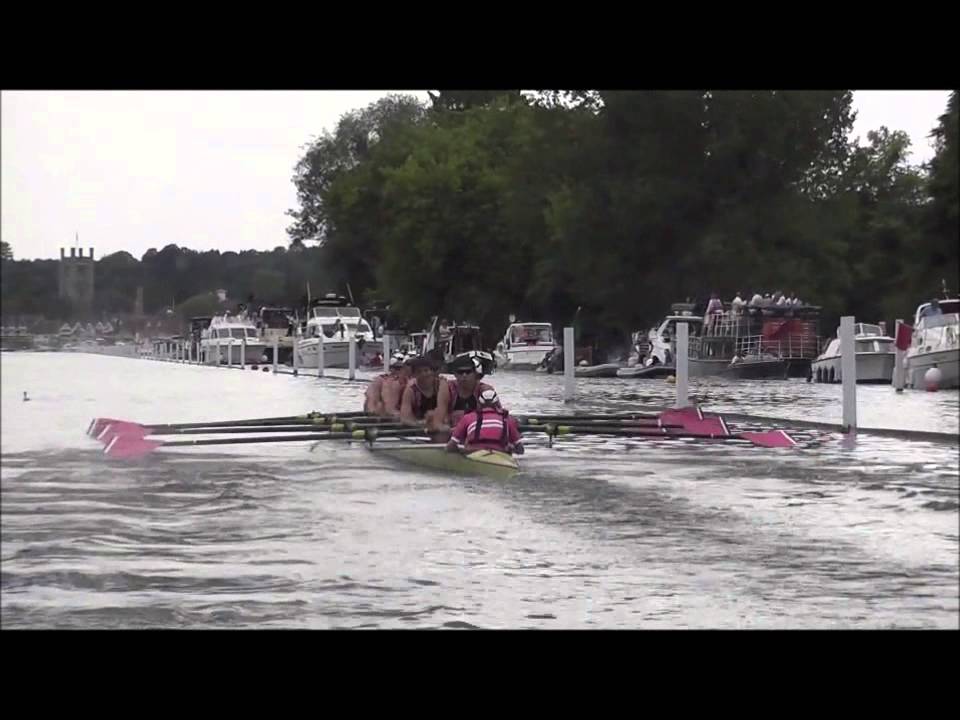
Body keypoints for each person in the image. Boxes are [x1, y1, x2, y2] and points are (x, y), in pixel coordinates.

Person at [446, 388, 523, 456]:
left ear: (479, 404)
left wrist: (458, 452)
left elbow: (451, 446)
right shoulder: (507, 418)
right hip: (501, 455)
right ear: (497, 404)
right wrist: (511, 450)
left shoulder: (467, 418)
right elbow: (520, 449)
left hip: (473, 453)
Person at [435, 353, 498, 431]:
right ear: (455, 374)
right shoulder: (447, 388)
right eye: (460, 372)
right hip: (452, 431)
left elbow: (495, 417)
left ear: (475, 373)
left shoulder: (485, 390)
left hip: (478, 431)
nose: (464, 375)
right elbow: (441, 417)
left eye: (468, 372)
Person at [363, 352, 412, 417]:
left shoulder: (409, 381)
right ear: (391, 370)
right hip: (379, 412)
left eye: (401, 370)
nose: (400, 372)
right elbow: (370, 399)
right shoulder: (381, 380)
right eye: (397, 369)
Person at [400, 356, 443, 427]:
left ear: (432, 372)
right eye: (419, 372)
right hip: (417, 428)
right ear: (414, 375)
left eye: (426, 370)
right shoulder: (410, 391)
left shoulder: (441, 386)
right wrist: (421, 424)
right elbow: (405, 418)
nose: (424, 374)